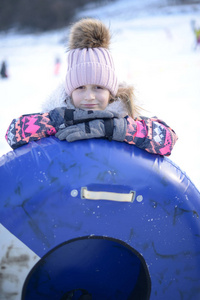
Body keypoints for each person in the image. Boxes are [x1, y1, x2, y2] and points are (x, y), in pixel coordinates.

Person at [5, 18, 177, 156]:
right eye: (80, 87)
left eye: (98, 87)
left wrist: (117, 128)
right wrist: (57, 122)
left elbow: (167, 139)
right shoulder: (57, 116)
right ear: (69, 91)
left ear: (111, 92)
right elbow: (14, 133)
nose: (89, 96)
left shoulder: (125, 118)